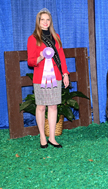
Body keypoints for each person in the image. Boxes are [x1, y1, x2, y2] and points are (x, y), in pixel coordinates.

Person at [27, 8, 70, 148]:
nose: (45, 22)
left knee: (53, 106)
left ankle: (52, 137)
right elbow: (30, 61)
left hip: (56, 76)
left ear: (50, 22)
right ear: (38, 22)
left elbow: (61, 57)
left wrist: (65, 74)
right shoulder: (33, 38)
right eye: (42, 20)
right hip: (40, 78)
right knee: (41, 107)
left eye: (47, 20)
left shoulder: (56, 36)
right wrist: (40, 57)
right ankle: (42, 136)